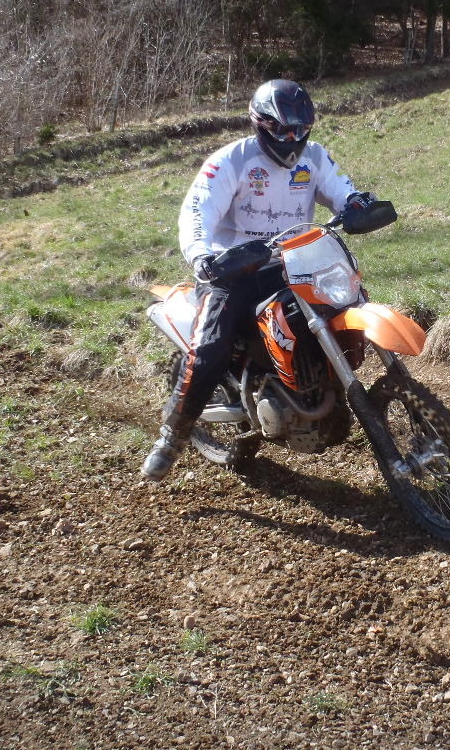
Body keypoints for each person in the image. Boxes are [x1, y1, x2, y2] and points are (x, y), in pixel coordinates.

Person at [142, 79, 375, 482]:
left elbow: (342, 191)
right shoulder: (230, 161)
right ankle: (172, 436)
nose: (293, 138)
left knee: (346, 304)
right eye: (284, 129)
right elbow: (197, 211)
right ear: (261, 124)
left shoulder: (314, 157)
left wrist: (356, 203)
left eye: (301, 129)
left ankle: (316, 387)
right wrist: (202, 255)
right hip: (232, 269)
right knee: (210, 349)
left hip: (295, 262)